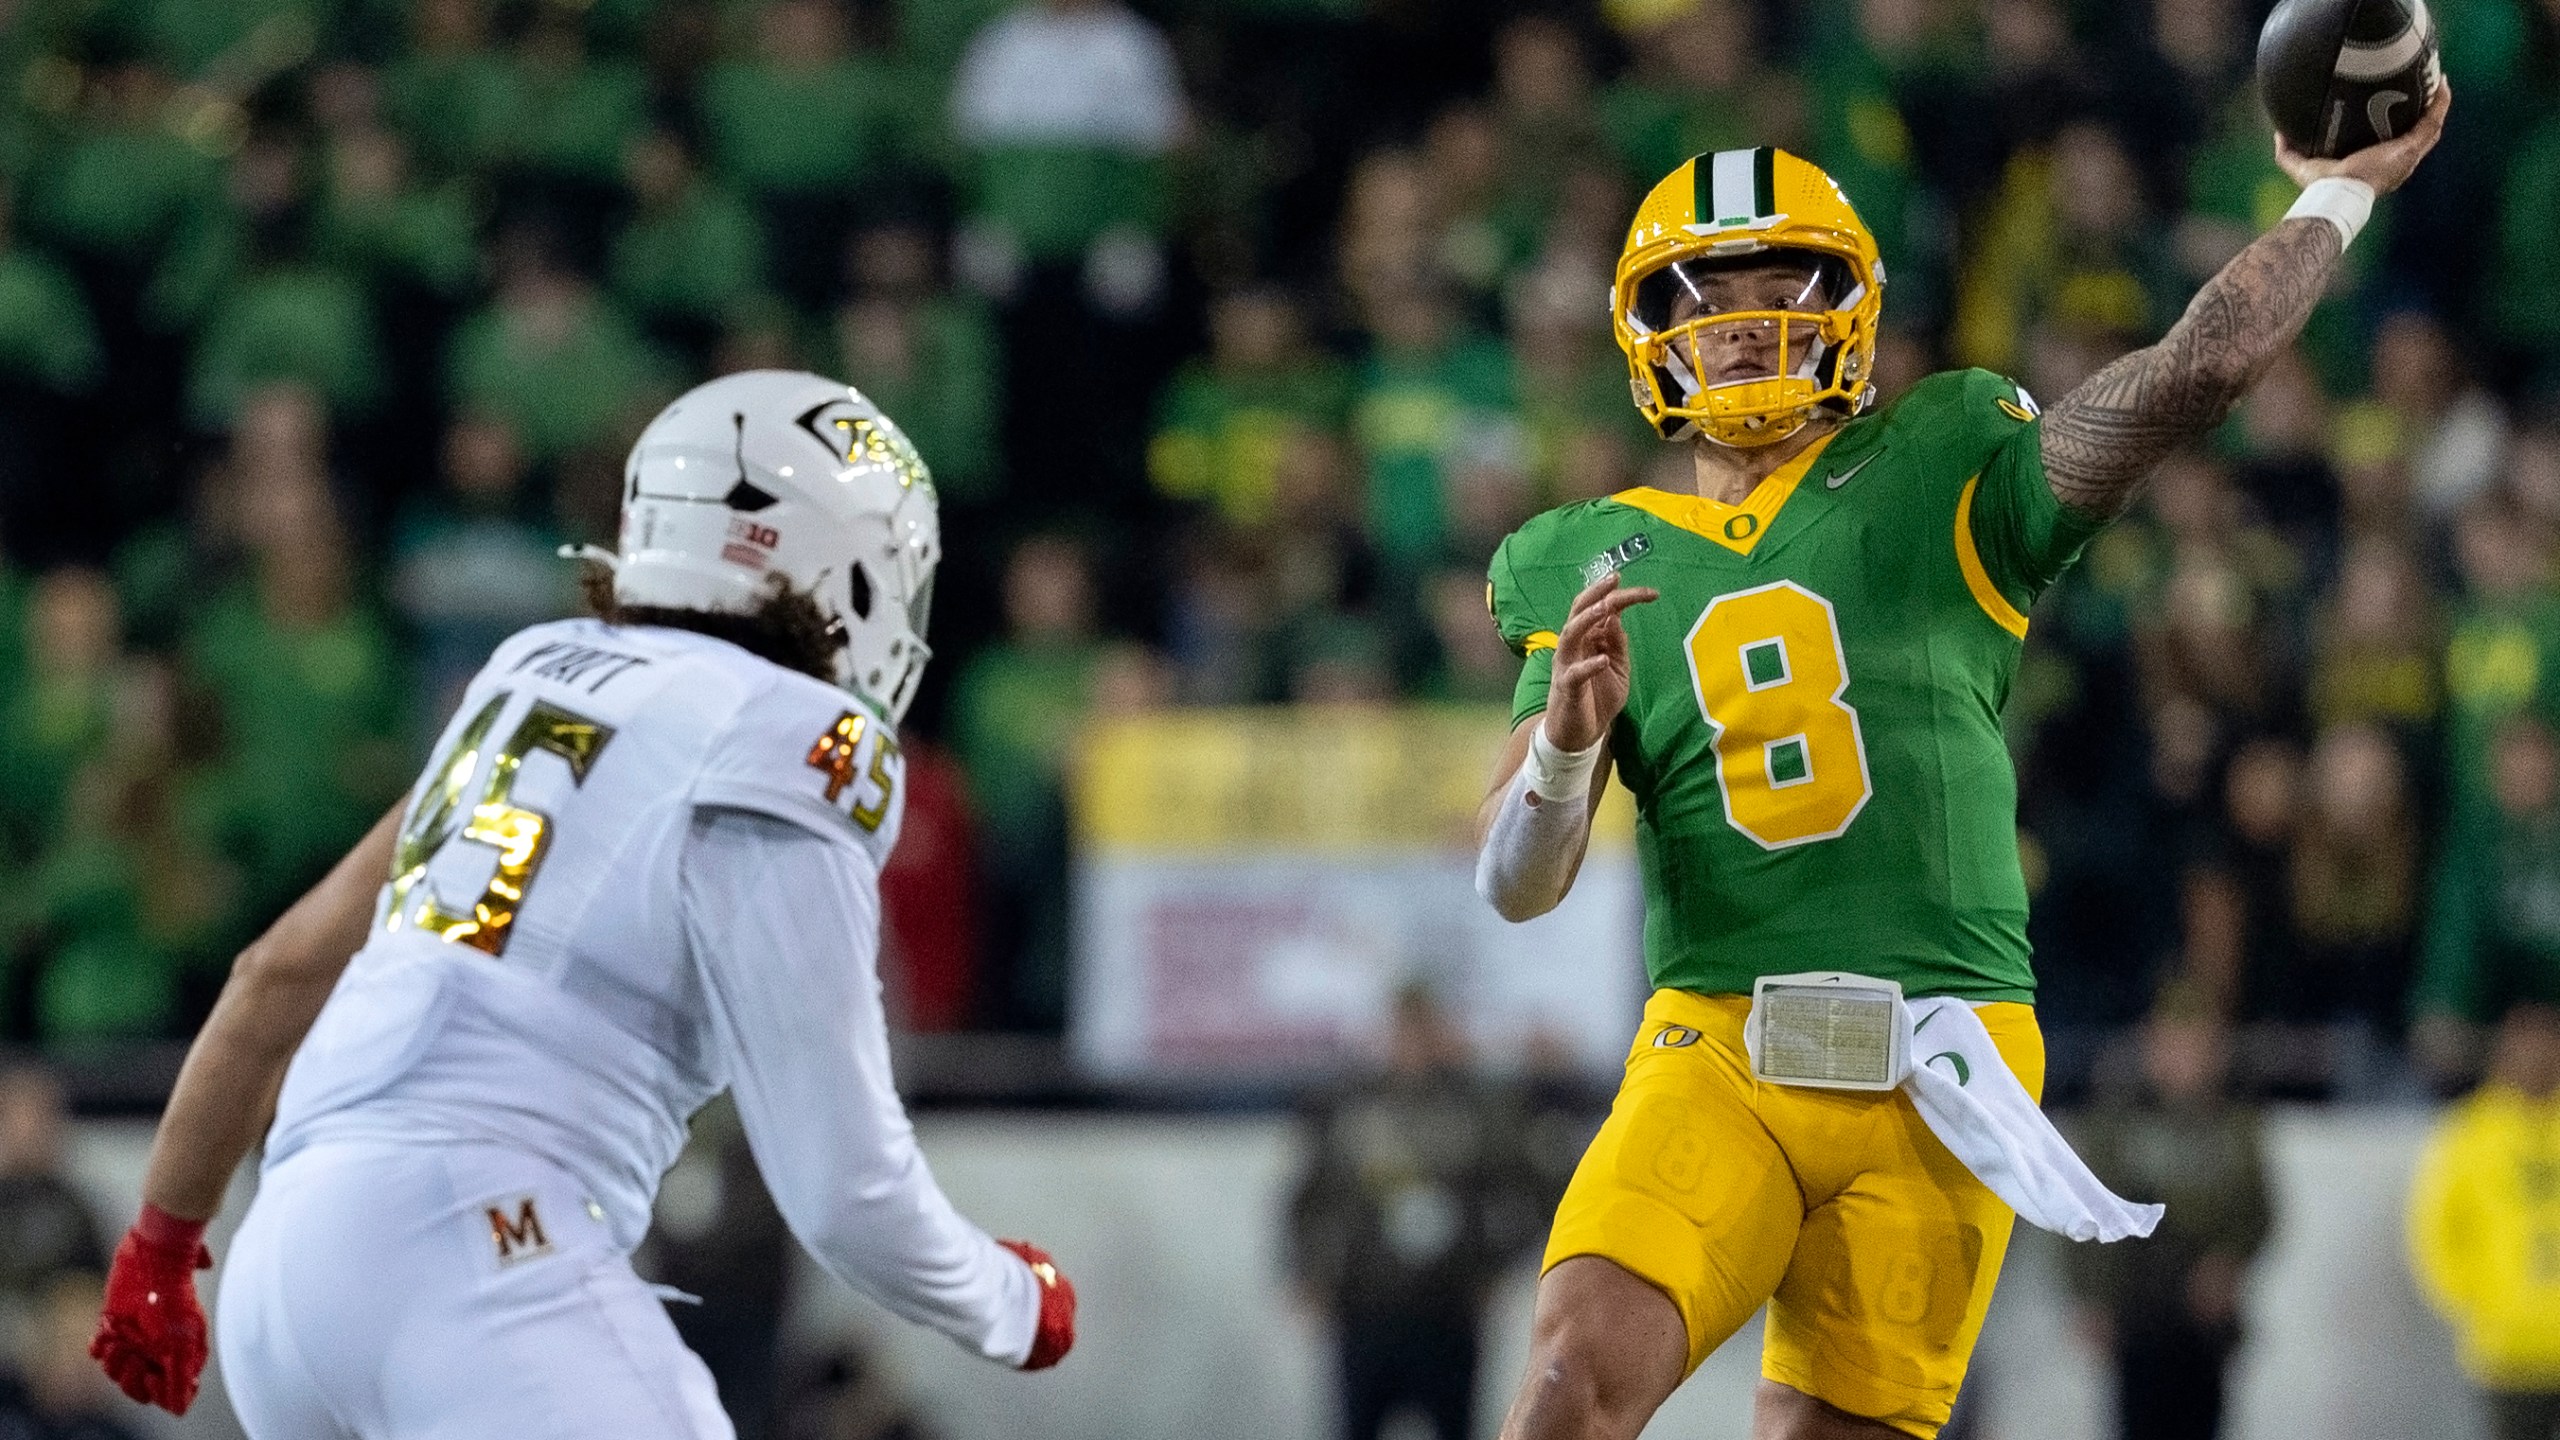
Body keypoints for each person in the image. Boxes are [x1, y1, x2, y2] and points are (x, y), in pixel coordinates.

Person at [1472, 93, 2449, 1440]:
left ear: (1853, 303)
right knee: (1570, 1388)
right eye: (1713, 285)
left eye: (1785, 277)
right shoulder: (1580, 552)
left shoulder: (1945, 455)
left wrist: (2337, 193)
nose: (1748, 313)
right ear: (1651, 324)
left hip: (1944, 1061)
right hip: (1720, 1044)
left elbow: (2190, 375)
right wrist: (1569, 754)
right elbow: (1518, 886)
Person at [85, 370, 1076, 1434]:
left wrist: (161, 1245)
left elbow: (273, 972)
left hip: (286, 1269)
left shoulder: (528, 678)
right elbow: (843, 1188)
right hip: (479, 1247)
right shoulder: (784, 735)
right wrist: (1012, 1303)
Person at [1287, 984, 1554, 1440]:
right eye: (1402, 1029)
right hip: (1365, 1309)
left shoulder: (1478, 1108)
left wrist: (1496, 1266)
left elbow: (1535, 1191)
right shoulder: (1352, 1105)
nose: (1412, 1043)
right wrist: (1308, 1274)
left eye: (1423, 1029)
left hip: (1448, 1310)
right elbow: (1307, 1199)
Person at [2064, 997, 2273, 1440]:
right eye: (2169, 1047)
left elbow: (2258, 1212)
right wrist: (2090, 1298)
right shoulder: (2115, 1122)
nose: (2180, 1062)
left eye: (2193, 1049)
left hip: (2203, 1322)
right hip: (2134, 1313)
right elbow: (2080, 1211)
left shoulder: (2234, 1126)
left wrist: (2229, 1261)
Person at [2408, 1003, 2560, 1440]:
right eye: (2526, 1047)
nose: (2537, 1058)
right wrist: (2476, 1301)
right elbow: (2436, 1230)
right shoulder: (2471, 1134)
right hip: (2508, 1347)